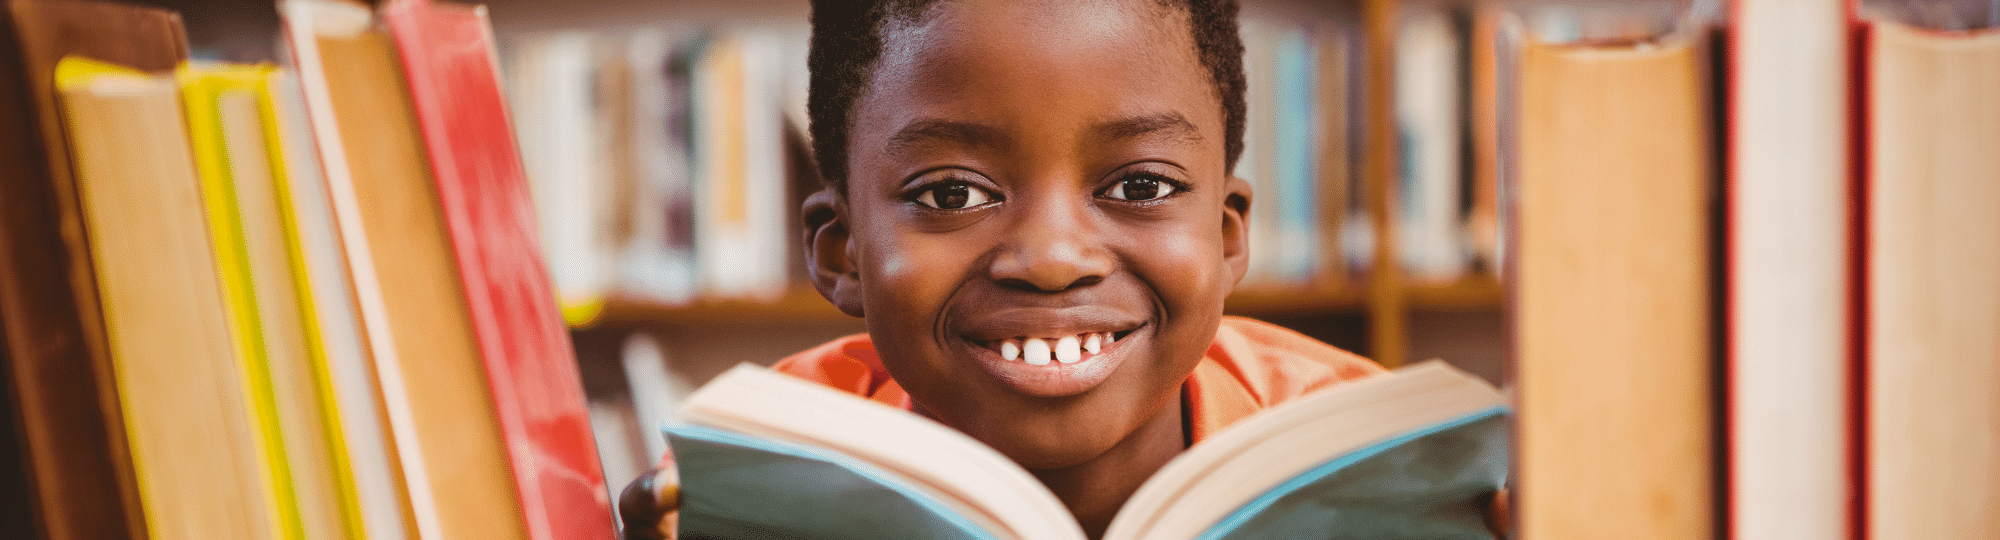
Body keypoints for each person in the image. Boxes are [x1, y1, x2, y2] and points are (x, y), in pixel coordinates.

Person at [620, 0, 1505, 538]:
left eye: (1142, 184)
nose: (1050, 260)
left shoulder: (1362, 457)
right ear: (841, 253)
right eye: (950, 196)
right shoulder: (772, 468)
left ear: (1229, 237)